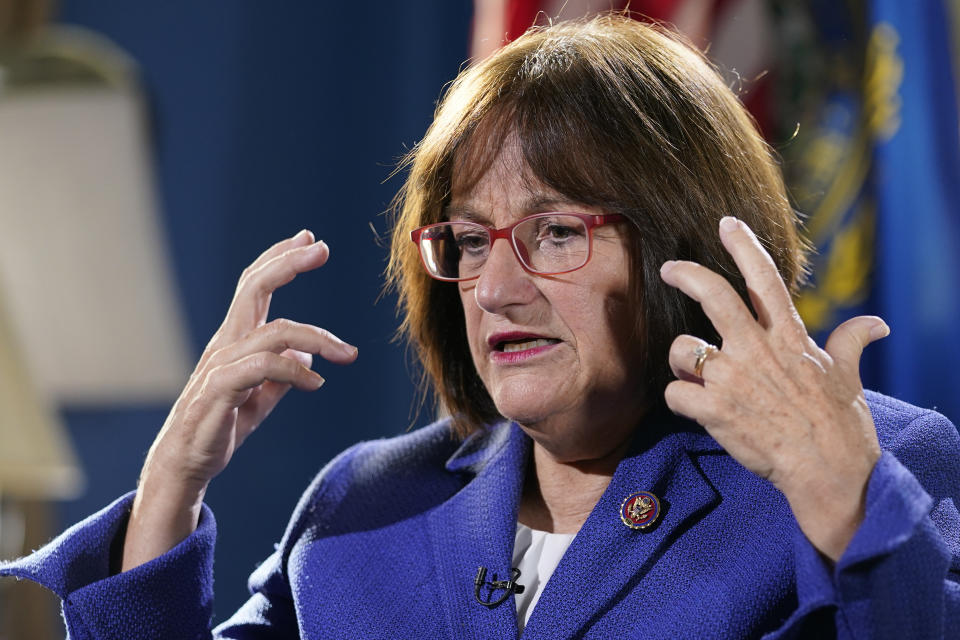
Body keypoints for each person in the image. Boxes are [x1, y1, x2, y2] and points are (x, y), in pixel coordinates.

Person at [3, 14, 958, 639]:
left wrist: (847, 502)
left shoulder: (874, 468)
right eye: (466, 238)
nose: (495, 286)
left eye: (553, 231)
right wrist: (170, 488)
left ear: (685, 245)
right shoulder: (363, 505)